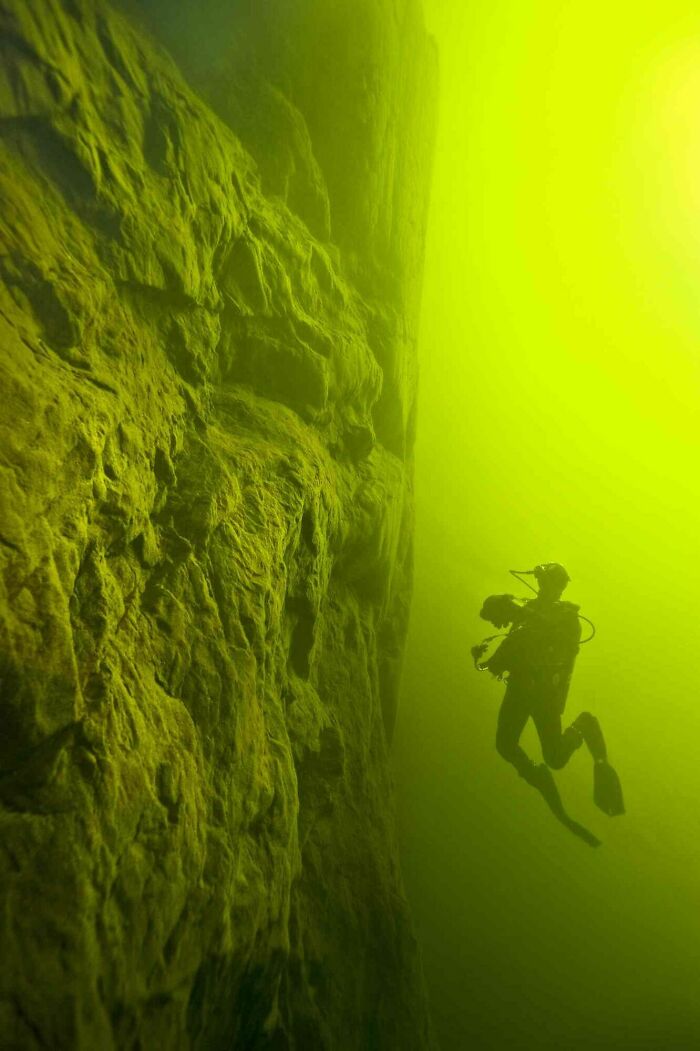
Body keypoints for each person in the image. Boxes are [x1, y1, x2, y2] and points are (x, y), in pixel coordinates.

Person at [474, 563, 624, 848]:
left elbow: (555, 636)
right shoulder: (525, 609)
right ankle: (537, 776)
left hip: (544, 694)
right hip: (520, 688)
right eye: (542, 582)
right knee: (505, 745)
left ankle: (582, 725)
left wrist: (524, 614)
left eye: (550, 583)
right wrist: (485, 657)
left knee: (556, 758)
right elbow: (510, 633)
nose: (545, 588)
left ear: (559, 587)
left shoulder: (567, 617)